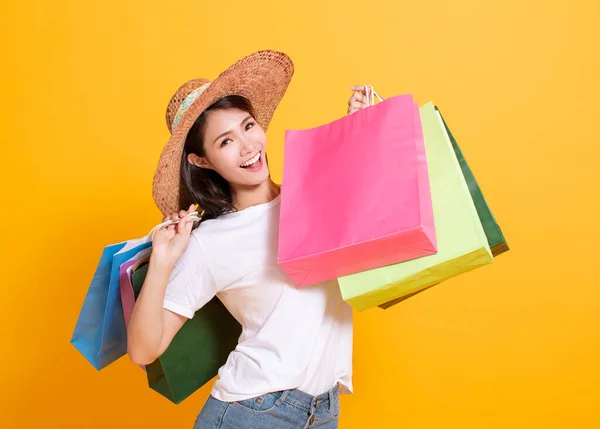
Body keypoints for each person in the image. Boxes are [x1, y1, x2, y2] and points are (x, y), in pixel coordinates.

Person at [127, 50, 371, 429]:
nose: (247, 146)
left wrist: (367, 130)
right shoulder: (211, 241)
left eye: (248, 126)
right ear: (201, 160)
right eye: (225, 142)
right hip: (254, 411)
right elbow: (144, 349)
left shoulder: (313, 199)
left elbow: (378, 218)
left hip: (323, 411)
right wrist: (162, 259)